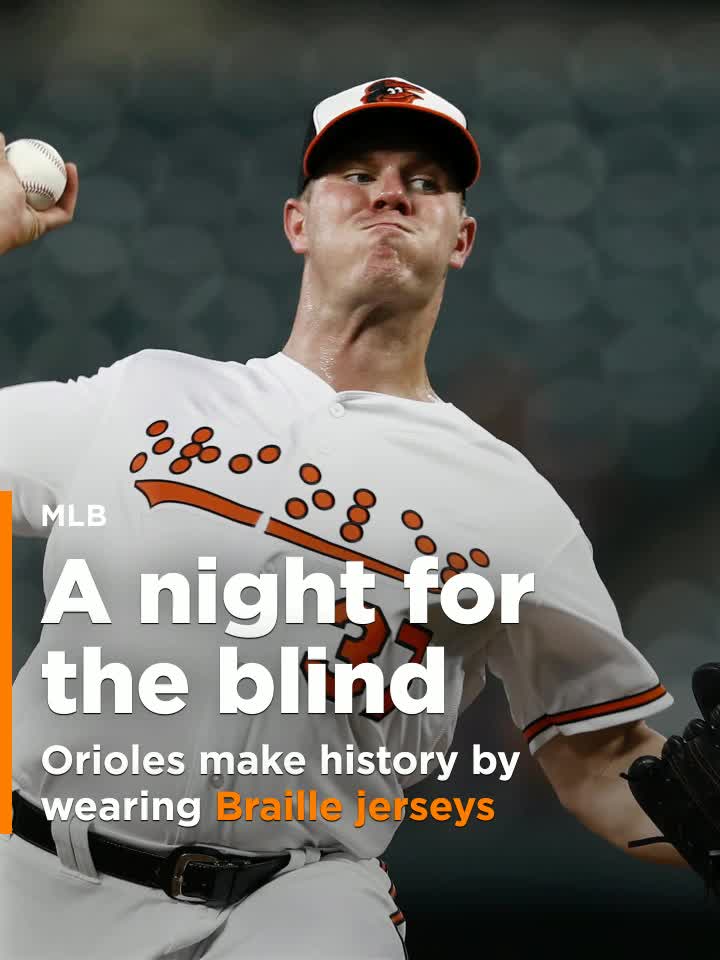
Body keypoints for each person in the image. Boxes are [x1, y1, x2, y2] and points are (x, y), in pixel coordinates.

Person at [0, 77, 689, 960]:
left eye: (426, 181)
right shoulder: (146, 392)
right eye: (356, 172)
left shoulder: (513, 506)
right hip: (31, 871)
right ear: (298, 223)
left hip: (290, 901)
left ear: (462, 239)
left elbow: (603, 761)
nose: (391, 190)